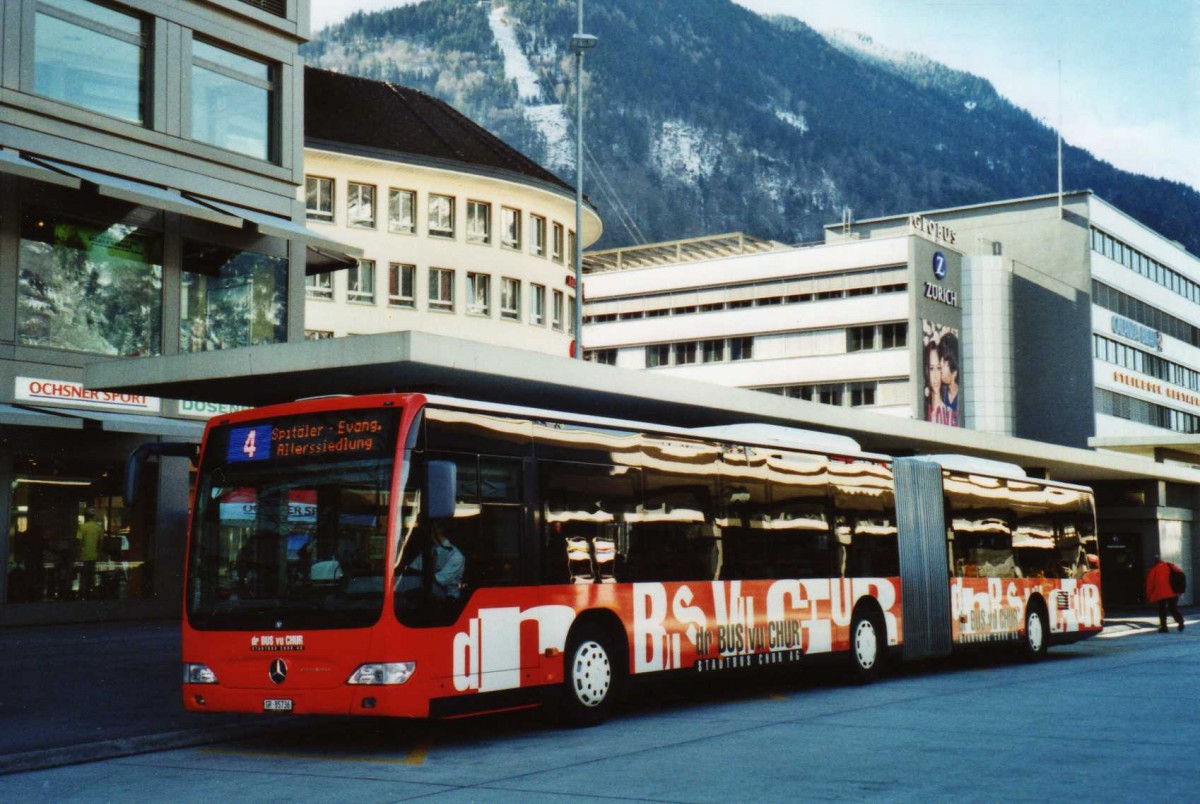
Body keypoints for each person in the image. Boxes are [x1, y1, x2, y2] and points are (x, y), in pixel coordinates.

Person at [1145, 555, 1185, 632]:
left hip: (1161, 593)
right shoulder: (1170, 565)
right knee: (1173, 608)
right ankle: (1180, 622)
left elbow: (1150, 584)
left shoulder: (1154, 570)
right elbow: (1180, 574)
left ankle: (1164, 627)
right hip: (1173, 591)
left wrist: (1149, 596)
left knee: (1162, 610)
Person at [76, 508, 103, 599]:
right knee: (92, 576)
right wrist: (98, 552)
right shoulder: (98, 528)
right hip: (94, 556)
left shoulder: (82, 527)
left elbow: (79, 541)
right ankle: (91, 594)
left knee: (83, 576)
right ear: (93, 516)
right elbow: (100, 543)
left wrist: (79, 552)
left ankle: (82, 594)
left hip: (84, 556)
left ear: (86, 516)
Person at [938, 332, 961, 426]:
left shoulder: (964, 399)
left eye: (944, 362)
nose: (940, 365)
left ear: (954, 372)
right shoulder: (940, 394)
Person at [924, 340, 946, 423]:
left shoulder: (949, 412)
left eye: (939, 368)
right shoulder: (923, 413)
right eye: (931, 369)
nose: (936, 375)